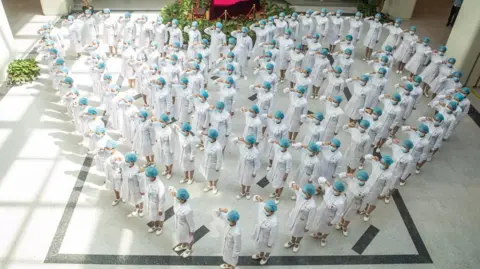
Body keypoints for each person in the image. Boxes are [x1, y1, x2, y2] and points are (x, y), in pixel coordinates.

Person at [310, 180, 346, 247]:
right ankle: (319, 234)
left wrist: (333, 222)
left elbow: (338, 214)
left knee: (327, 229)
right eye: (334, 189)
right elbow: (320, 179)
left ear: (340, 192)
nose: (334, 190)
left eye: (336, 190)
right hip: (321, 212)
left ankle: (324, 238)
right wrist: (326, 181)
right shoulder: (330, 190)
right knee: (319, 224)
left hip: (330, 217)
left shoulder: (341, 202)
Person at [335, 170, 369, 236]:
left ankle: (344, 227)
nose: (360, 180)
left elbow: (365, 200)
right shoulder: (352, 180)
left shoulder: (366, 189)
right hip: (346, 201)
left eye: (362, 180)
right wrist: (347, 174)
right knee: (343, 213)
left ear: (365, 180)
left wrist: (361, 209)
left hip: (355, 205)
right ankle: (341, 222)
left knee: (349, 217)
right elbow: (340, 176)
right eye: (359, 178)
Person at [360, 155, 394, 221]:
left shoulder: (389, 174)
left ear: (388, 165)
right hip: (368, 187)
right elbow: (366, 157)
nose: (381, 164)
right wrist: (372, 157)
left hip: (376, 191)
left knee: (373, 203)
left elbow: (387, 185)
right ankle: (365, 208)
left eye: (383, 163)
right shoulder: (376, 164)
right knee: (365, 199)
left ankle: (368, 213)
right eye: (381, 162)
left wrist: (382, 194)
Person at [284, 182, 316, 252]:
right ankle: (292, 241)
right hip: (294, 216)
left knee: (299, 233)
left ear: (310, 194)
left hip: (302, 222)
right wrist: (293, 184)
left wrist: (308, 227)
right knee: (293, 231)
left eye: (305, 192)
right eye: (303, 191)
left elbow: (311, 218)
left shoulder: (312, 205)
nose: (303, 193)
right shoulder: (301, 195)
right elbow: (293, 187)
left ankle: (297, 243)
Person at [383, 138, 414, 203]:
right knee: (385, 180)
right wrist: (392, 140)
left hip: (397, 173)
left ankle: (388, 195)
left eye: (405, 147)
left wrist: (403, 178)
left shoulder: (409, 158)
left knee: (392, 185)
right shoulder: (397, 148)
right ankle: (382, 191)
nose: (403, 147)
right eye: (403, 145)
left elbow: (407, 169)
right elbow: (387, 143)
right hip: (389, 169)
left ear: (409, 149)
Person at [251, 197, 279, 265]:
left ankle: (266, 257)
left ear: (272, 212)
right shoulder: (265, 210)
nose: (264, 210)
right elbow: (259, 202)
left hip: (267, 239)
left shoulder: (274, 222)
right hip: (260, 235)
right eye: (265, 208)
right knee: (260, 246)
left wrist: (270, 244)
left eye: (266, 210)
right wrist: (258, 198)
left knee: (267, 249)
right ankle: (261, 255)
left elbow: (273, 235)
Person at [169, 187, 195, 258]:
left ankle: (189, 249)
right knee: (181, 237)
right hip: (179, 225)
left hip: (185, 227)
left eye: (178, 198)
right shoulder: (179, 203)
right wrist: (174, 196)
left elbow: (191, 221)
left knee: (189, 239)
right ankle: (183, 246)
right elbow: (175, 208)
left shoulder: (188, 210)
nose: (177, 199)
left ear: (183, 199)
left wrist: (192, 231)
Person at [233, 135, 261, 200]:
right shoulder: (242, 146)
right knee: (242, 180)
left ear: (252, 143)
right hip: (241, 166)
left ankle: (247, 191)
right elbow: (233, 141)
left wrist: (254, 172)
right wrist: (238, 138)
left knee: (248, 181)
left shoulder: (255, 152)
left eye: (248, 143)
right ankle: (242, 192)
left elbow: (257, 164)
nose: (246, 144)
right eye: (246, 142)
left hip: (249, 169)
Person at [267, 138, 292, 203]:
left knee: (280, 184)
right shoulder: (278, 149)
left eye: (282, 146)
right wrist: (276, 141)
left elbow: (288, 167)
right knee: (275, 182)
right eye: (280, 145)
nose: (280, 147)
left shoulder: (288, 156)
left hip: (281, 172)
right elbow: (273, 142)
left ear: (286, 147)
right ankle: (275, 192)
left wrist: (285, 175)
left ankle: (278, 196)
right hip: (274, 169)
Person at [119, 152, 145, 217]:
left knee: (139, 198)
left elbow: (141, 181)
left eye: (127, 161)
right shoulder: (124, 165)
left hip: (135, 187)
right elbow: (121, 169)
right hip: (127, 185)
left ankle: (141, 209)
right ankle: (136, 207)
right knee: (133, 198)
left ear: (132, 161)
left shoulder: (137, 169)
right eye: (126, 160)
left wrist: (142, 191)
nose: (126, 162)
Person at [200, 128, 223, 194]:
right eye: (208, 136)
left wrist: (217, 167)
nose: (208, 137)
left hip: (214, 164)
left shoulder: (218, 147)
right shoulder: (208, 140)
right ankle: (210, 185)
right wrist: (204, 133)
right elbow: (199, 134)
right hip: (207, 161)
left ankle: (214, 186)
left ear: (214, 137)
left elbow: (219, 159)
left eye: (210, 136)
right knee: (208, 175)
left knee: (215, 176)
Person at [151, 114, 174, 178]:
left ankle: (170, 172)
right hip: (160, 146)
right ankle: (166, 169)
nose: (160, 123)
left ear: (166, 122)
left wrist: (171, 150)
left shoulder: (169, 130)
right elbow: (152, 124)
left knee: (169, 160)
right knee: (163, 159)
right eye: (160, 121)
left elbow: (172, 141)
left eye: (162, 122)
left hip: (167, 147)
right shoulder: (159, 127)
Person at [145, 166, 166, 235]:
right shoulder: (149, 180)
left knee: (160, 216)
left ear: (152, 176)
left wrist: (160, 209)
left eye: (148, 176)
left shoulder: (160, 185)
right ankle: (155, 225)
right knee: (153, 216)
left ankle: (160, 226)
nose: (147, 177)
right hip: (151, 203)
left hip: (158, 204)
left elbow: (161, 199)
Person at [104, 139, 124, 206]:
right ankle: (117, 197)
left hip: (117, 175)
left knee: (118, 187)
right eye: (106, 148)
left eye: (107, 148)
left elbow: (122, 166)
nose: (106, 149)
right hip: (111, 174)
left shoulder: (119, 156)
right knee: (115, 188)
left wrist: (115, 161)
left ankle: (121, 197)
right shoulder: (110, 153)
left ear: (113, 148)